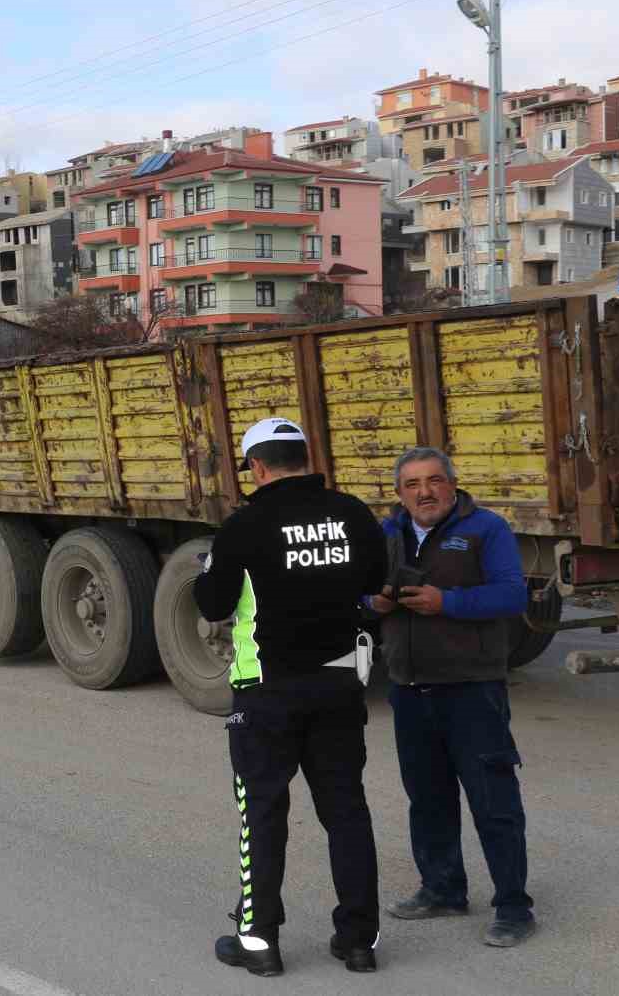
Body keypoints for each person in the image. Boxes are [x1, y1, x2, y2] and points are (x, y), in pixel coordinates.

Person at [194, 418, 389, 977]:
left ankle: (259, 943)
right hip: (339, 685)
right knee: (346, 809)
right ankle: (358, 941)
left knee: (262, 812)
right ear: (306, 458)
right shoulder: (352, 514)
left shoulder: (245, 525)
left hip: (267, 693)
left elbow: (212, 603)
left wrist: (206, 570)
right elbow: (375, 581)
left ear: (256, 468)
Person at [370, 446, 533, 947]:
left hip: (472, 689)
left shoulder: (487, 529)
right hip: (410, 690)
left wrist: (448, 603)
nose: (425, 491)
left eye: (435, 480)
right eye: (413, 484)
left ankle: (512, 906)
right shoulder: (387, 534)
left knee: (493, 800)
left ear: (452, 484)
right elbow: (358, 592)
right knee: (428, 798)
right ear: (399, 493)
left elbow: (513, 594)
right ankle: (442, 889)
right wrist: (371, 601)